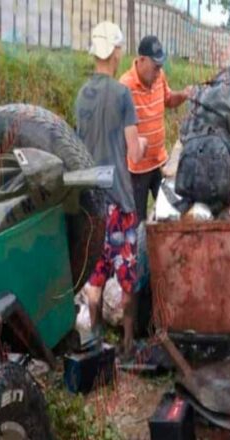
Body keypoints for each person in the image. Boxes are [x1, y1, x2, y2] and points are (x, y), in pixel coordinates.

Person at [75, 21, 148, 356]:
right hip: (119, 200)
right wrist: (142, 144)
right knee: (128, 279)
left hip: (91, 202)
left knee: (94, 278)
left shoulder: (81, 95)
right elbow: (133, 152)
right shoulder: (122, 94)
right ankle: (129, 347)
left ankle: (97, 344)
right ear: (116, 51)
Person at [120, 35, 193, 223]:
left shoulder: (159, 77)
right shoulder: (125, 86)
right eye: (155, 67)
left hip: (160, 162)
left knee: (170, 212)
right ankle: (141, 251)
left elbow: (168, 99)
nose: (158, 72)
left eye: (161, 67)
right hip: (137, 170)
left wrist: (184, 95)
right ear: (141, 60)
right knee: (139, 221)